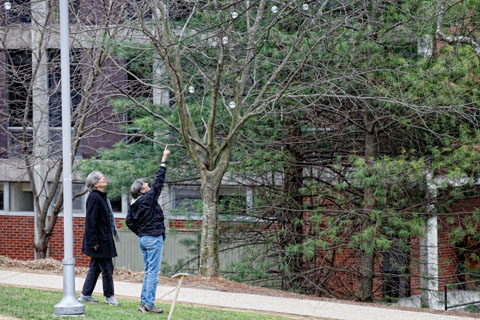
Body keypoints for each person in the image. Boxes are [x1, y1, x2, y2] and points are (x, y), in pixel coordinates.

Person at [126, 145, 170, 314]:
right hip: (152, 238)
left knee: (148, 271)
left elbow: (129, 222)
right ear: (142, 190)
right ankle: (149, 304)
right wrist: (163, 159)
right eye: (146, 184)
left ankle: (144, 303)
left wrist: (141, 232)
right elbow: (159, 181)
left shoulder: (134, 205)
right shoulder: (148, 199)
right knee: (153, 272)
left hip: (144, 239)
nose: (149, 185)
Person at [78, 171, 120, 306]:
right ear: (96, 183)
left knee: (95, 267)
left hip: (104, 238)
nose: (104, 178)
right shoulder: (94, 197)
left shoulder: (100, 196)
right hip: (100, 241)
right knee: (107, 268)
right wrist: (93, 242)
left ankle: (85, 294)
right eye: (102, 178)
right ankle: (109, 296)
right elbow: (90, 221)